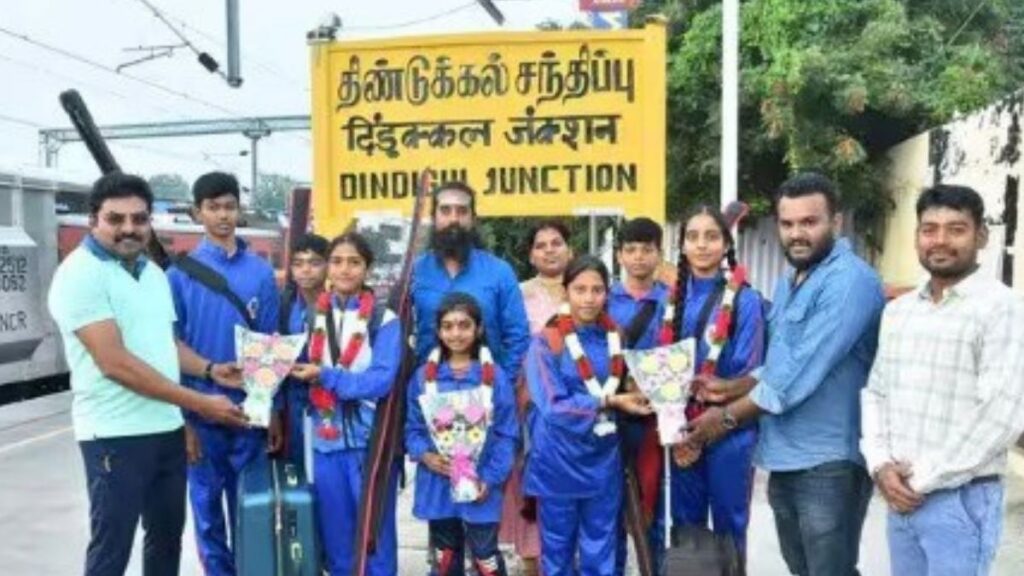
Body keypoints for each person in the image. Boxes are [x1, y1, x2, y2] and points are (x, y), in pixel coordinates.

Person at [47, 172, 248, 576]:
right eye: (115, 219)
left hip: (165, 430)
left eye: (139, 219)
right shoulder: (79, 274)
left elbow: (164, 346)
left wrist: (210, 369)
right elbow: (114, 363)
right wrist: (200, 403)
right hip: (113, 436)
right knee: (112, 547)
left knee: (166, 540)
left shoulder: (153, 273)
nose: (129, 228)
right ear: (94, 220)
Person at [684, 173, 885, 576]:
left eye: (809, 222)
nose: (796, 234)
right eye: (787, 223)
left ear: (836, 222)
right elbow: (781, 360)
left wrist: (724, 419)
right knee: (802, 568)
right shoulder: (792, 280)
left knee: (829, 571)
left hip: (829, 462)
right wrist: (733, 386)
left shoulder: (849, 282)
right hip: (786, 455)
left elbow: (799, 372)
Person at [861, 185, 1024, 576]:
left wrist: (920, 480)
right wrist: (880, 464)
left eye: (956, 229)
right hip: (900, 495)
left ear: (981, 236)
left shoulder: (1002, 309)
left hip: (960, 500)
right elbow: (876, 392)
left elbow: (1001, 415)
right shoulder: (899, 312)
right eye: (929, 229)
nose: (940, 240)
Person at [167, 171, 282, 576]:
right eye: (213, 207)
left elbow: (270, 344)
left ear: (239, 210)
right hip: (200, 412)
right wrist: (183, 420)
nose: (222, 215)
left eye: (229, 206)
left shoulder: (261, 273)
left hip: (249, 416)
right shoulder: (178, 275)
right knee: (207, 514)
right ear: (197, 212)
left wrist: (271, 411)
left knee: (251, 511)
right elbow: (168, 347)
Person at [523, 255, 655, 576]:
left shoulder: (616, 337)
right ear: (565, 291)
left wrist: (638, 388)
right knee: (557, 552)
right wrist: (612, 400)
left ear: (607, 293)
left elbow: (624, 382)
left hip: (603, 459)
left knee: (601, 547)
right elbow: (553, 406)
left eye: (597, 290)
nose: (588, 298)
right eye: (580, 289)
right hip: (557, 461)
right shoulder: (545, 342)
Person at [290, 232, 403, 575]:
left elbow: (381, 381)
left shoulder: (384, 320)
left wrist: (326, 376)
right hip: (324, 442)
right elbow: (293, 364)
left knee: (374, 536)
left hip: (372, 446)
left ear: (367, 268)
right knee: (336, 538)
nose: (344, 269)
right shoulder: (309, 316)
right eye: (337, 261)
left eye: (354, 262)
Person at [668, 205, 765, 563]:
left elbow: (749, 373)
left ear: (726, 244)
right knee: (686, 526)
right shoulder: (671, 301)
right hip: (683, 430)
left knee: (730, 525)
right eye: (692, 237)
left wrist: (717, 400)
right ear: (682, 246)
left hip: (730, 429)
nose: (701, 245)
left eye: (711, 236)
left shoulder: (746, 300)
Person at [406, 292, 519, 576]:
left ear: (478, 329)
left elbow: (507, 434)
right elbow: (413, 429)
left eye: (464, 325)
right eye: (448, 326)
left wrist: (490, 478)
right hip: (438, 484)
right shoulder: (423, 378)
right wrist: (426, 456)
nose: (456, 333)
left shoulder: (495, 377)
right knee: (445, 556)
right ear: (438, 331)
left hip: (482, 483)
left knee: (486, 557)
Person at [500, 220, 574, 575]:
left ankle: (567, 554)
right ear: (531, 255)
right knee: (529, 474)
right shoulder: (517, 294)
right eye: (541, 245)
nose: (549, 250)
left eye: (556, 243)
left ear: (570, 250)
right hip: (528, 399)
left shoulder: (584, 288)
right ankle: (531, 556)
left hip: (575, 401)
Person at [411, 181, 530, 381]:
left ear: (473, 219)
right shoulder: (415, 272)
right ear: (434, 217)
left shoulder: (499, 272)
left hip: (489, 387)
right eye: (445, 210)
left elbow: (517, 337)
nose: (454, 219)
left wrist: (504, 383)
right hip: (428, 387)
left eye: (462, 211)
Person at [607, 217, 672, 575]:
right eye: (630, 250)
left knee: (654, 508)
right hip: (613, 415)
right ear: (619, 255)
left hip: (656, 421)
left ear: (660, 254)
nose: (638, 257)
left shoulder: (673, 301)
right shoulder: (603, 299)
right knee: (611, 510)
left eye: (647, 250)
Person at [279, 233, 329, 466]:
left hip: (329, 395)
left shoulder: (341, 305)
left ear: (328, 266)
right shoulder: (284, 303)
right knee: (296, 464)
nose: (305, 270)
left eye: (314, 263)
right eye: (298, 264)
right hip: (293, 398)